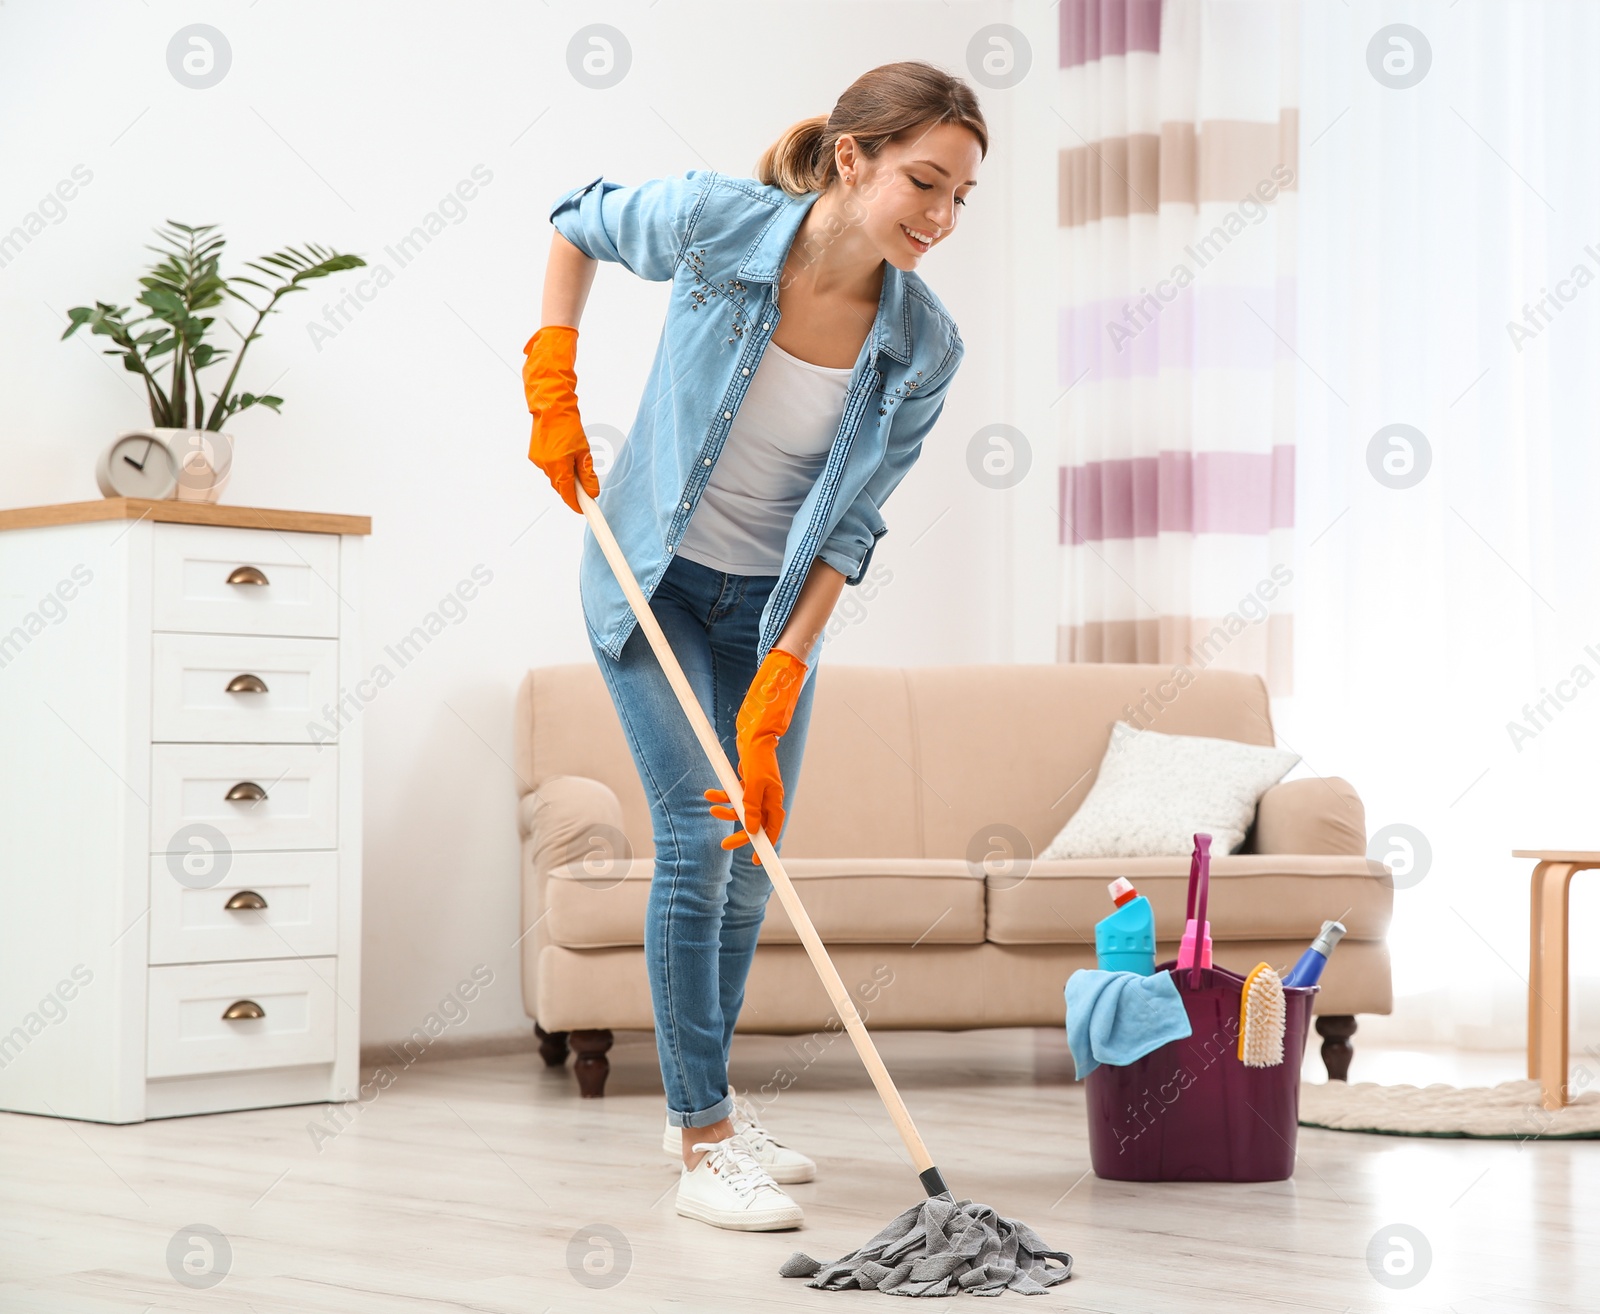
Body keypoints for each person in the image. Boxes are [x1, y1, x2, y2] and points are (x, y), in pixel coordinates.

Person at [522, 60, 984, 1232]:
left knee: (745, 859)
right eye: (922, 182)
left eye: (959, 198)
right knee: (695, 836)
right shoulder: (716, 223)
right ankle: (703, 1146)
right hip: (653, 580)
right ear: (851, 159)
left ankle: (701, 1104)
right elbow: (577, 223)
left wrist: (789, 667)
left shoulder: (923, 347)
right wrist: (552, 378)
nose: (937, 217)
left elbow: (853, 523)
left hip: (770, 612)